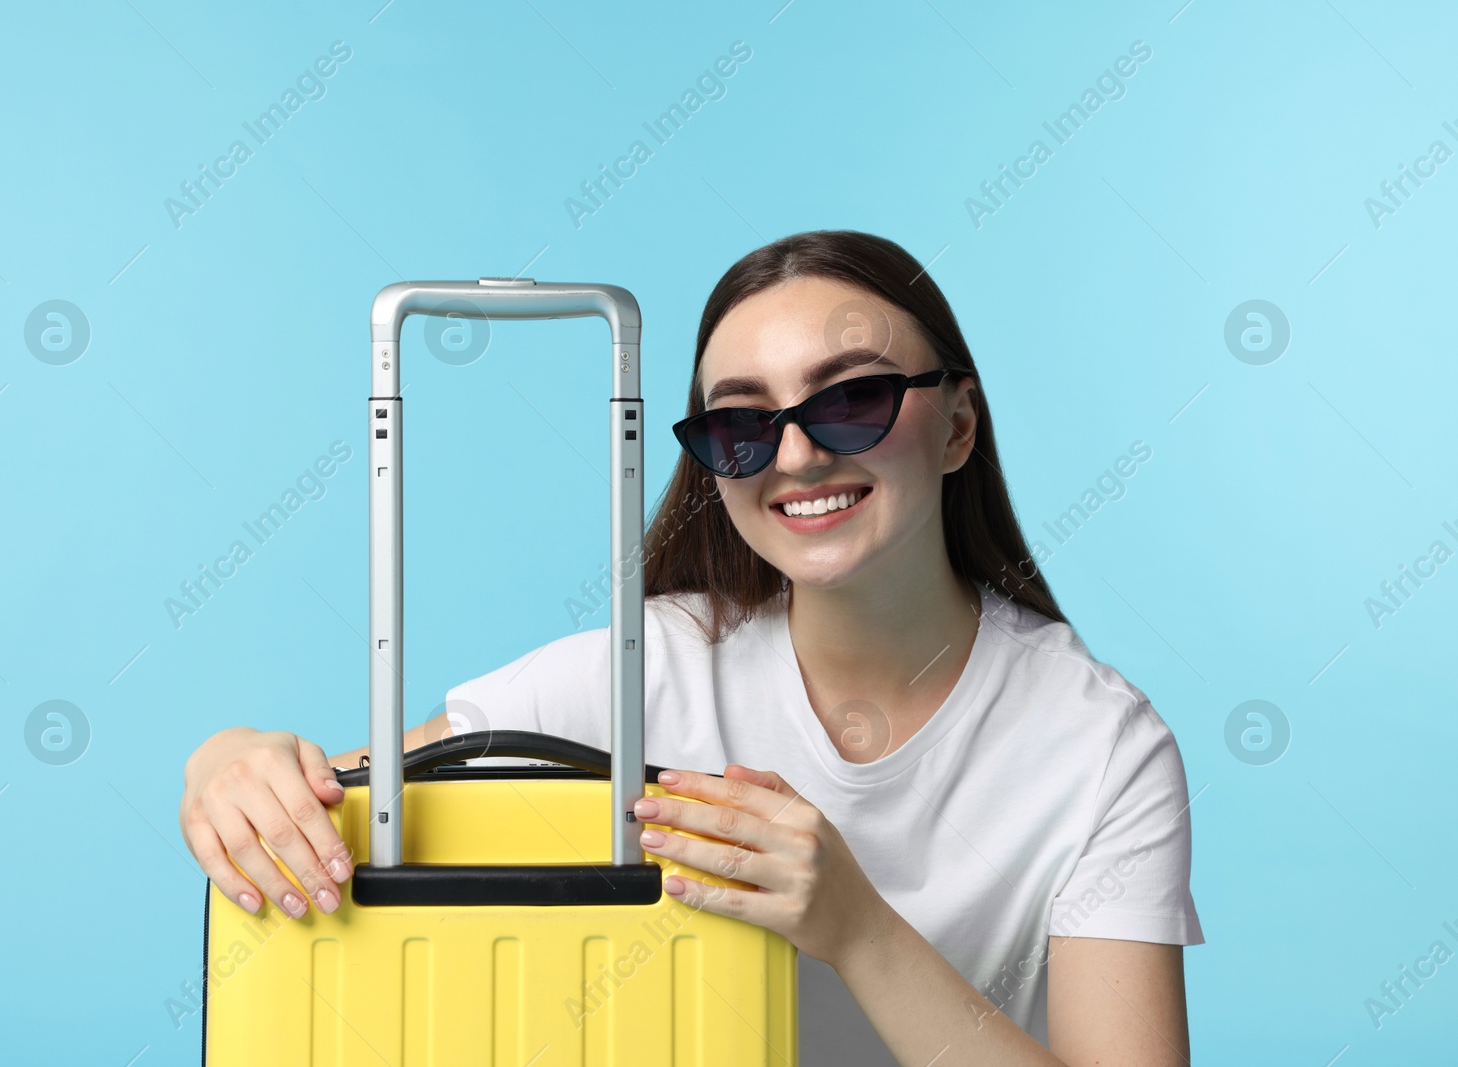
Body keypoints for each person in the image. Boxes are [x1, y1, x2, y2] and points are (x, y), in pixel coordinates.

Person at [180, 229, 1203, 1065]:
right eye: (741, 425)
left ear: (956, 426)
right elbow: (343, 792)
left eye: (850, 399)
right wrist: (229, 759)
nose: (795, 453)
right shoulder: (643, 671)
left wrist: (856, 929)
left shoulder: (1097, 745)